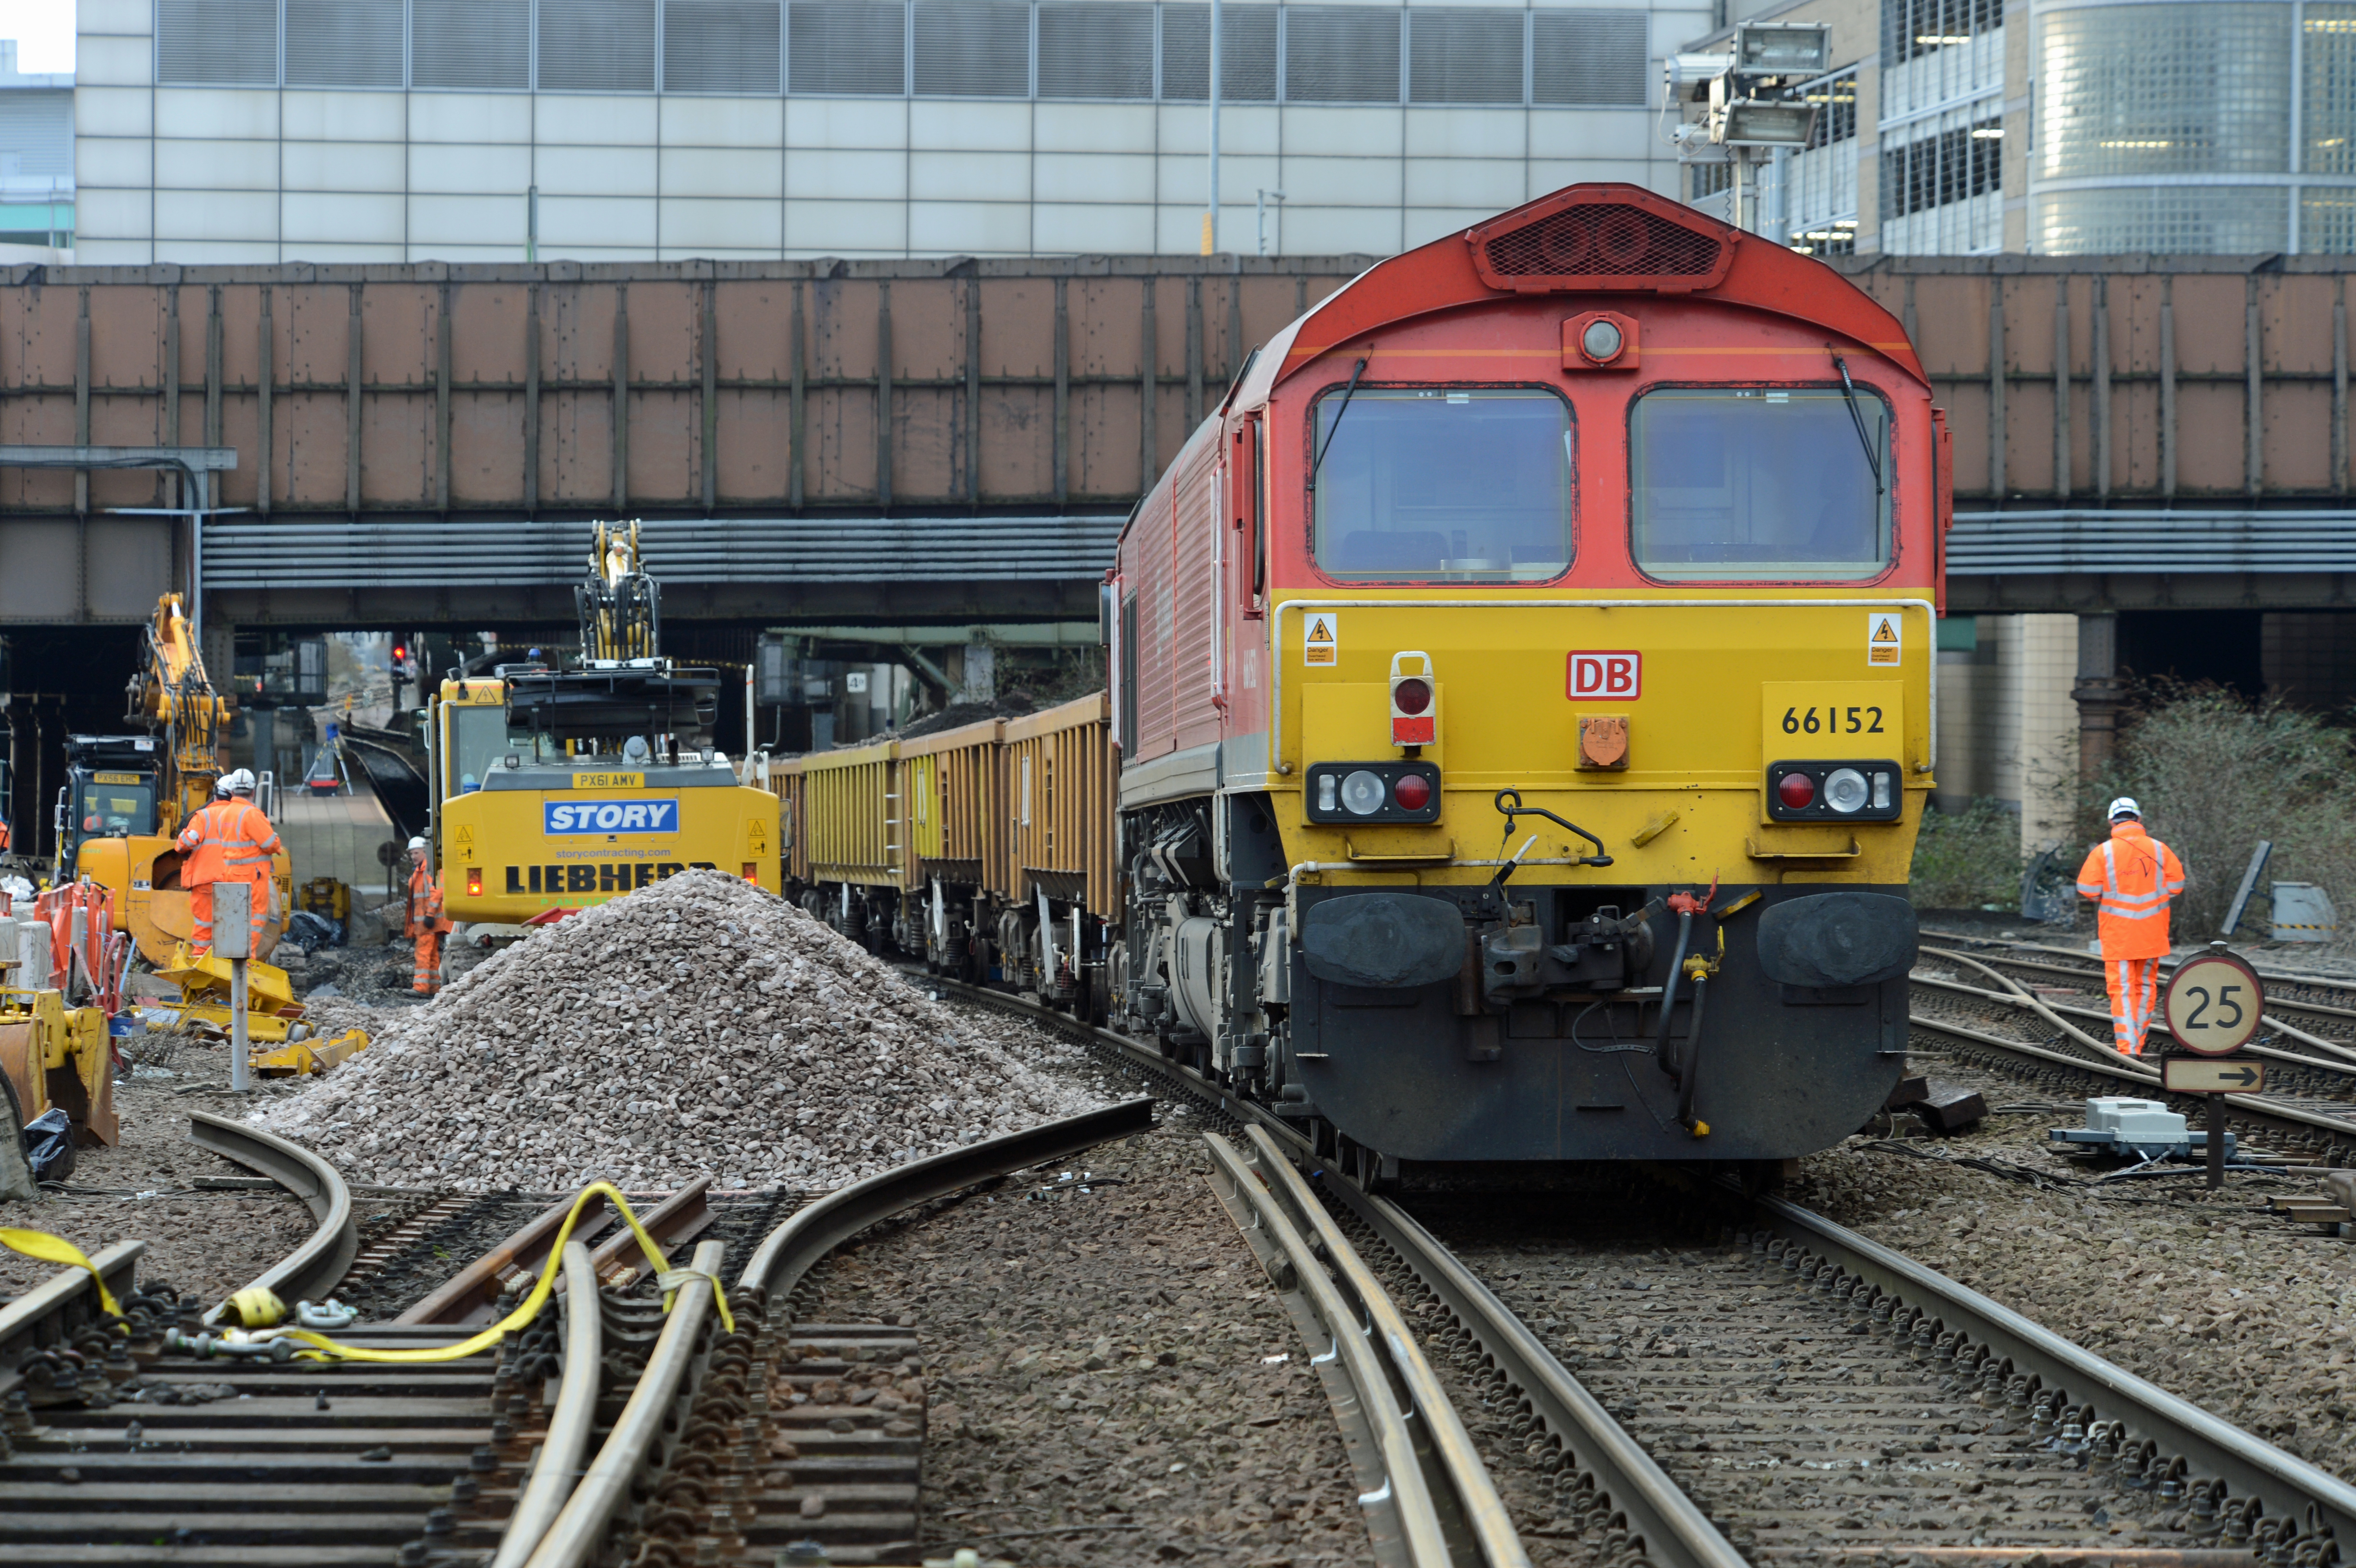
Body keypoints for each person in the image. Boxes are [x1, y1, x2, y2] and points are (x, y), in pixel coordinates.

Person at [2075, 796, 2187, 1057]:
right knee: (2146, 987)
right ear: (2139, 819)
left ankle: (2128, 1048)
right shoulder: (2160, 849)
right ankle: (2138, 1041)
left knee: (2123, 989)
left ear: (2111, 821)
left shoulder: (2103, 852)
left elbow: (2088, 889)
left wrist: (2110, 894)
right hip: (2151, 934)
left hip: (2119, 935)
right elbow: (2177, 885)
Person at [173, 768, 281, 956]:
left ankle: (201, 962)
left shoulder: (207, 816)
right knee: (240, 923)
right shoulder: (246, 814)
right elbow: (269, 844)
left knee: (205, 927)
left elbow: (186, 843)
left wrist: (181, 838)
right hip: (238, 878)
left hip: (207, 879)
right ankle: (238, 963)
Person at [404, 836, 451, 995]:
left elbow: (437, 893)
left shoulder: (429, 871)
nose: (413, 857)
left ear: (426, 852)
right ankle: (433, 988)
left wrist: (430, 914)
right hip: (425, 922)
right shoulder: (421, 872)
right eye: (411, 854)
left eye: (416, 853)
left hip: (427, 921)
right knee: (431, 955)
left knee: (423, 953)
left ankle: (421, 988)